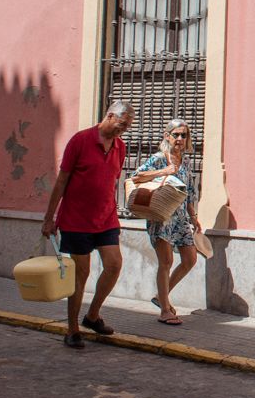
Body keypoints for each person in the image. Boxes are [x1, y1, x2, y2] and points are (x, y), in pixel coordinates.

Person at [41, 99, 134, 348]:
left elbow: (110, 181)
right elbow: (61, 181)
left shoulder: (120, 147)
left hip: (106, 218)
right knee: (80, 274)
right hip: (76, 220)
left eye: (126, 127)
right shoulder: (80, 141)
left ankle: (92, 316)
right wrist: (49, 218)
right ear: (110, 116)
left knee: (114, 265)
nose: (122, 130)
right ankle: (72, 329)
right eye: (122, 124)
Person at [130, 118, 201, 326]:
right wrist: (164, 171)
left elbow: (187, 192)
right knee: (166, 262)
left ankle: (161, 296)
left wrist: (194, 217)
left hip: (180, 218)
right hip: (161, 216)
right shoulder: (159, 158)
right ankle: (164, 309)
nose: (179, 138)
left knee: (190, 259)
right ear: (167, 136)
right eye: (176, 134)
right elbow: (136, 177)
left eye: (183, 135)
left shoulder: (185, 161)